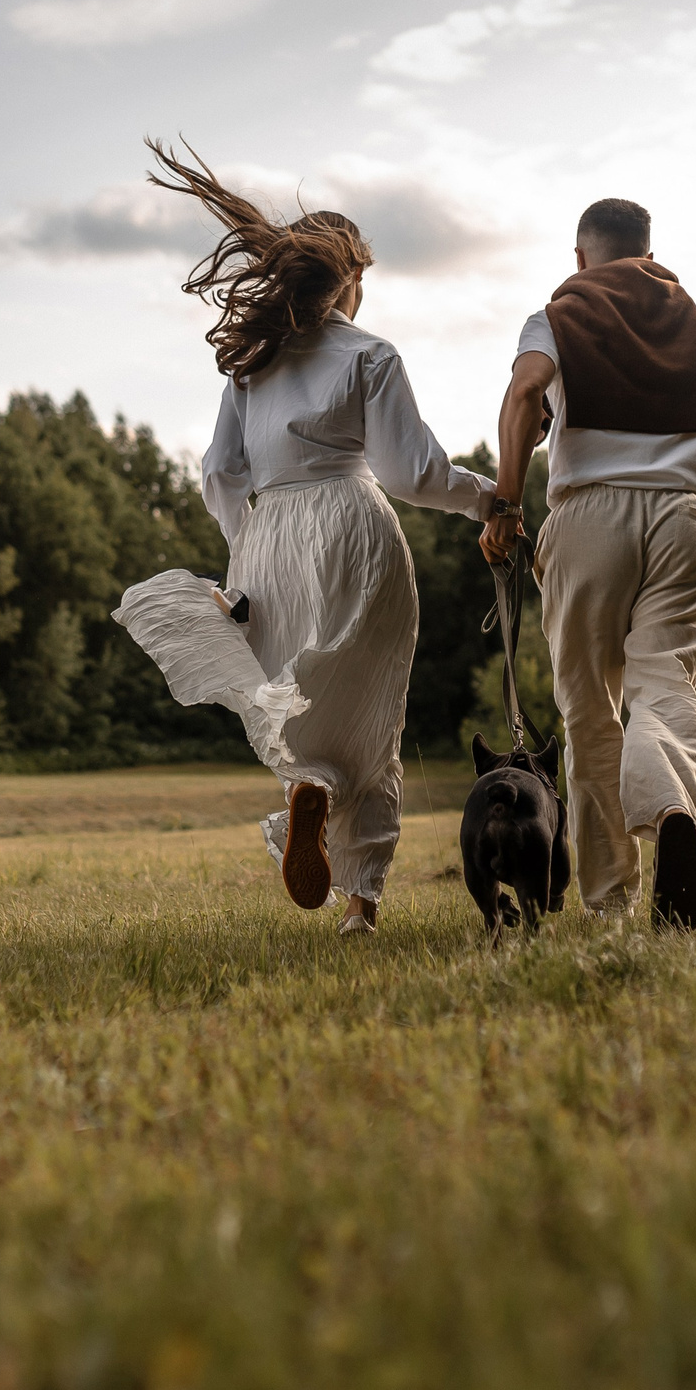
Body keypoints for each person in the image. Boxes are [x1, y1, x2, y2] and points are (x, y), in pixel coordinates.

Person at [113, 142, 495, 935]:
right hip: (355, 529)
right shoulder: (372, 355)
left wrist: (243, 553)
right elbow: (411, 473)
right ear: (351, 279)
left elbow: (219, 471)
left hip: (271, 537)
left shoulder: (248, 363)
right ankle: (361, 905)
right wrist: (488, 501)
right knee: (371, 710)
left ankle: (307, 788)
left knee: (289, 702)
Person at [479, 198, 696, 928]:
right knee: (665, 688)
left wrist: (506, 503)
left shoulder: (557, 316)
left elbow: (525, 391)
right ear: (651, 251)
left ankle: (611, 904)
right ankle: (669, 811)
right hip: (687, 514)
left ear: (581, 258)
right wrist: (694, 525)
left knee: (591, 713)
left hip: (590, 517)